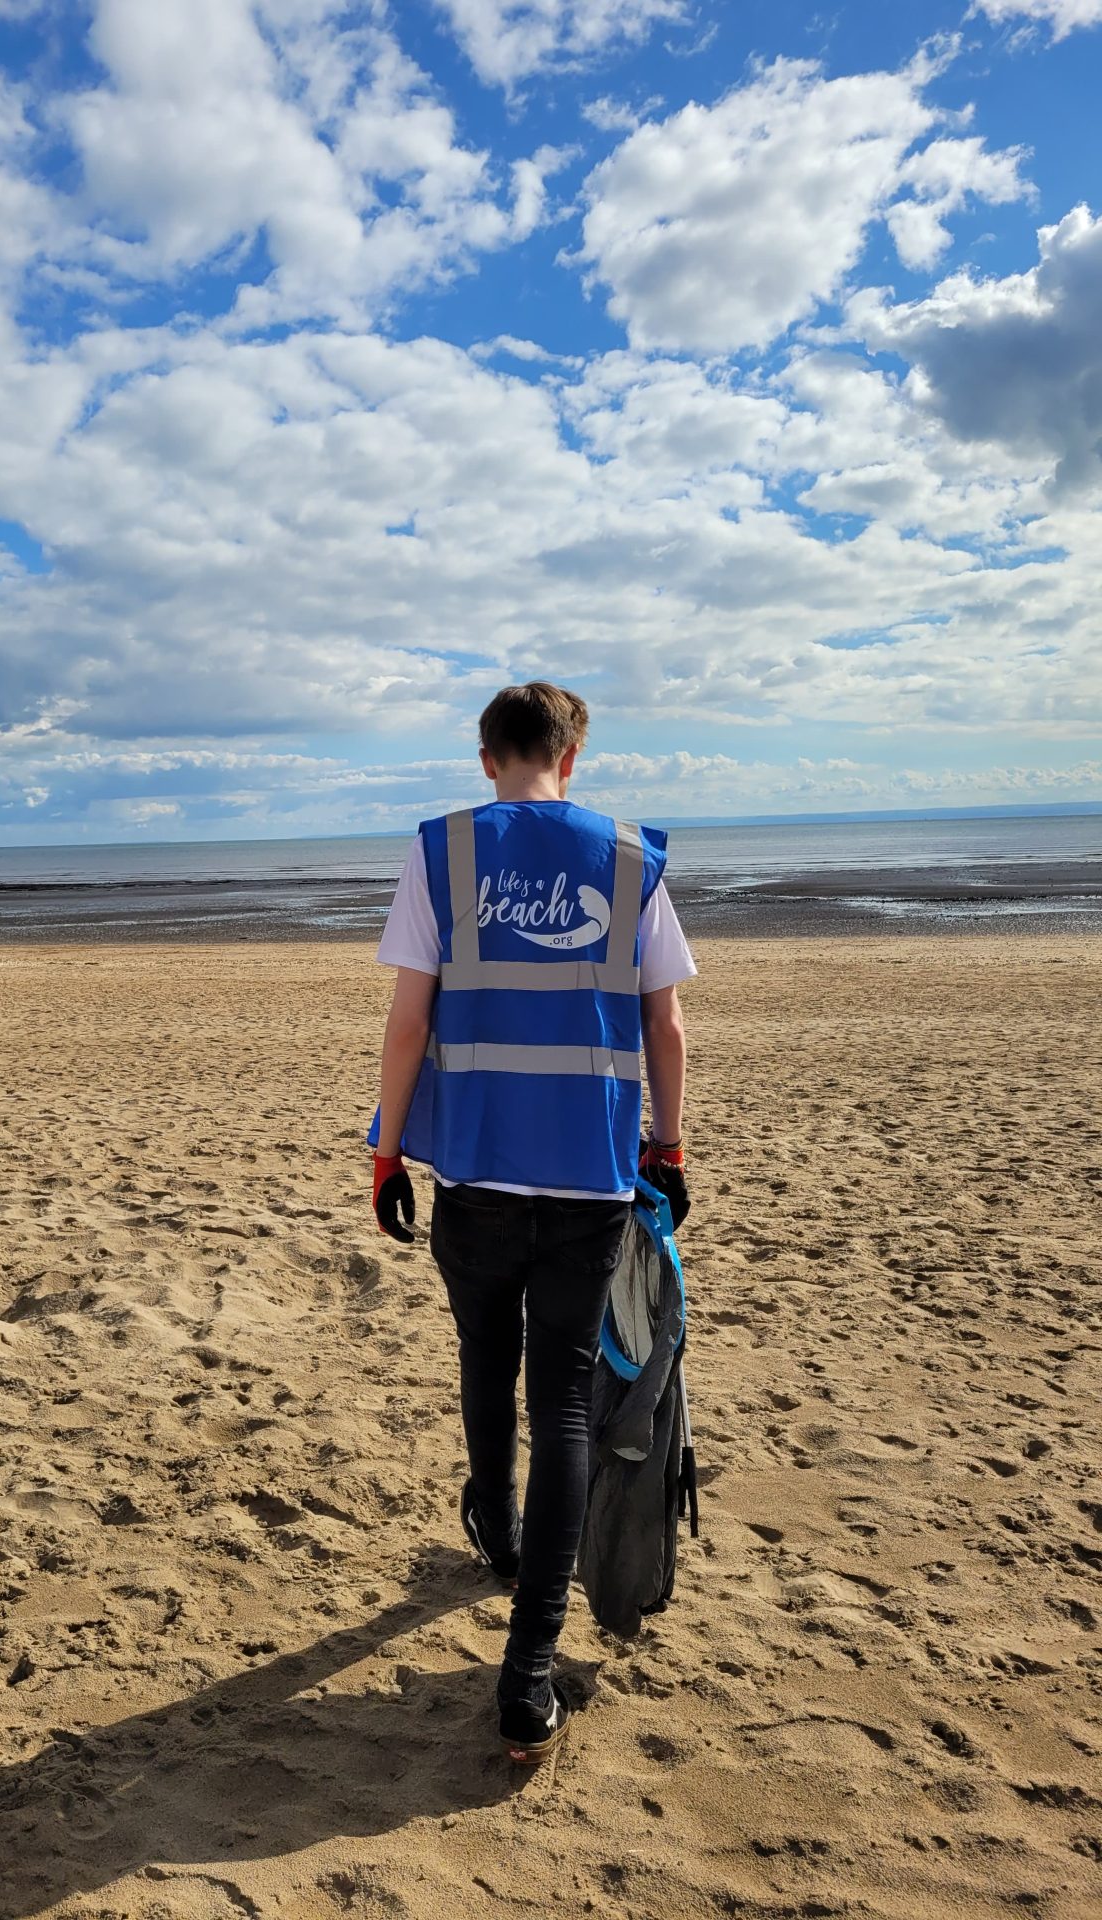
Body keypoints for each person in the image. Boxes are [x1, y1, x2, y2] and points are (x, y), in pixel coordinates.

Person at [367, 681, 695, 1762]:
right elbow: (665, 1025)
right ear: (573, 754)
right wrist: (668, 1148)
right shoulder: (628, 856)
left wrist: (386, 1150)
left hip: (474, 1173)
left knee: (483, 1352)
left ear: (486, 756)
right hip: (590, 1178)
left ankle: (496, 1526)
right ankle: (527, 1676)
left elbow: (407, 1023)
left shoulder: (444, 850)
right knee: (560, 1404)